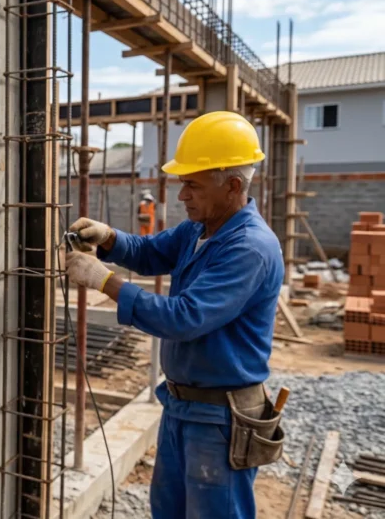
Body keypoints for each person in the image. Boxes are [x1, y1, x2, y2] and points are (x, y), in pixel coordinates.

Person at [63, 111, 285, 519]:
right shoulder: (201, 230)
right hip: (183, 405)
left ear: (232, 185)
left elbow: (183, 318)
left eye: (192, 185)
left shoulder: (249, 248)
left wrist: (104, 280)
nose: (183, 196)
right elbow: (151, 253)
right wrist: (109, 237)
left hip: (221, 416)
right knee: (169, 511)